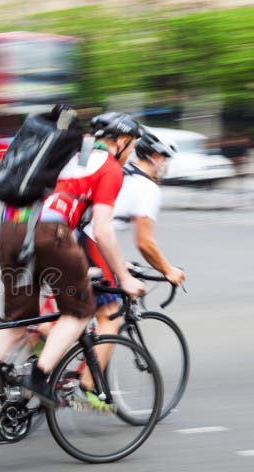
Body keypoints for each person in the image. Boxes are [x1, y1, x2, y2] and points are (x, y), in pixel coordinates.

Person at [0, 112, 147, 422]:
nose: (132, 154)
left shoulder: (63, 152)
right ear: (122, 141)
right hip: (49, 234)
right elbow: (101, 230)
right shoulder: (110, 168)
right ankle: (39, 376)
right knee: (80, 310)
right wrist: (124, 277)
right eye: (133, 147)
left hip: (11, 230)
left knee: (17, 321)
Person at [73, 127, 186, 401]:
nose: (165, 167)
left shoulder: (122, 174)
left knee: (72, 315)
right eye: (165, 160)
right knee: (110, 317)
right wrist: (168, 270)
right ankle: (88, 389)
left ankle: (34, 357)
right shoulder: (146, 187)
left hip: (73, 240)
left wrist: (119, 262)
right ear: (156, 157)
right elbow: (145, 243)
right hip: (90, 245)